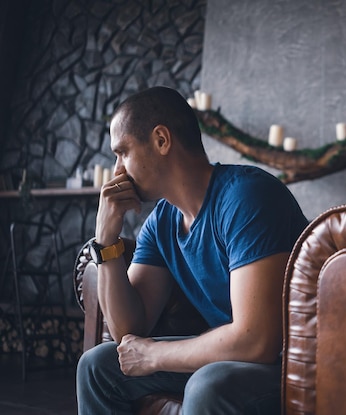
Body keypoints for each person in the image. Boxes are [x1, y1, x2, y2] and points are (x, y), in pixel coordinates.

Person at [76, 86, 309, 414]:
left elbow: (257, 340)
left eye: (123, 152)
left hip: (290, 363)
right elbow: (128, 334)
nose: (117, 171)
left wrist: (155, 355)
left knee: (208, 383)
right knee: (98, 366)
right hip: (233, 357)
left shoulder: (247, 197)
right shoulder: (161, 223)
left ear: (161, 140)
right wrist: (106, 242)